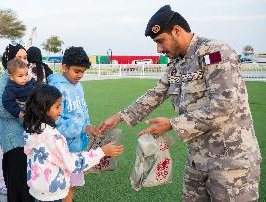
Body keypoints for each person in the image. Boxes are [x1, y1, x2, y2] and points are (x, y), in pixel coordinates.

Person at [98, 5, 261, 201]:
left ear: (176, 30)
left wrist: (172, 124)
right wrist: (118, 117)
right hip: (197, 160)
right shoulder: (176, 64)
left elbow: (224, 105)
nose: (158, 49)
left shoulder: (213, 52)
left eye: (160, 41)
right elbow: (156, 93)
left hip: (230, 162)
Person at [23, 84, 124, 202]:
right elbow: (72, 164)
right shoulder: (52, 136)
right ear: (43, 109)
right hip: (52, 192)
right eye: (57, 106)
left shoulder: (33, 129)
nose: (61, 111)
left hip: (39, 190)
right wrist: (102, 151)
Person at [47, 46, 105, 202]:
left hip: (79, 146)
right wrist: (82, 127)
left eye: (83, 72)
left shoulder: (78, 85)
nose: (80, 75)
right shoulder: (55, 87)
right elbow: (54, 121)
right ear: (64, 67)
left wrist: (88, 126)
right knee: (61, 186)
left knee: (72, 185)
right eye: (77, 71)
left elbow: (83, 109)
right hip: (63, 148)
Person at [0, 43, 34, 202]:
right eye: (20, 57)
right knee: (18, 183)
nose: (24, 61)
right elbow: (1, 108)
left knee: (25, 181)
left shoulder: (25, 78)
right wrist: (22, 113)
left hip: (24, 138)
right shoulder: (6, 79)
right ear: (11, 61)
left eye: (25, 58)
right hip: (13, 139)